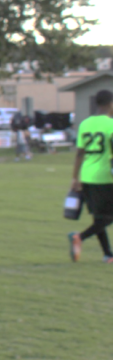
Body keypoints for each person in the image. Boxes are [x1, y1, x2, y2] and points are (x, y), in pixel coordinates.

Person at [69, 89, 113, 263]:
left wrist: (75, 178)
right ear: (110, 104)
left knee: (98, 217)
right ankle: (79, 237)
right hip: (105, 177)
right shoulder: (110, 124)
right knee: (107, 217)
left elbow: (79, 153)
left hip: (87, 176)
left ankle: (108, 255)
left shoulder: (85, 124)